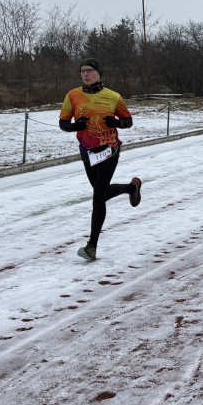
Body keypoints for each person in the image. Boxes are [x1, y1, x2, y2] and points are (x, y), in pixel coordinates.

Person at [59, 58, 142, 261]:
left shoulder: (113, 97)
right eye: (82, 71)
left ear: (99, 73)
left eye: (90, 70)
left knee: (98, 196)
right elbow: (63, 123)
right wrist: (74, 127)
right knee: (102, 194)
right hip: (87, 152)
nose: (86, 74)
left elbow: (128, 121)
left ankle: (92, 246)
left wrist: (116, 123)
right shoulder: (72, 95)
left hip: (109, 150)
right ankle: (132, 188)